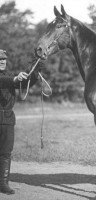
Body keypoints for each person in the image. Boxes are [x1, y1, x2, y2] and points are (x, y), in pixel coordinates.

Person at [0, 49, 42, 194]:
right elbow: (5, 81)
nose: (2, 61)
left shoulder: (10, 75)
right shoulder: (8, 78)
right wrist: (15, 79)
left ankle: (3, 184)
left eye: (4, 59)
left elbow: (23, 84)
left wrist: (35, 71)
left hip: (7, 119)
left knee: (6, 152)